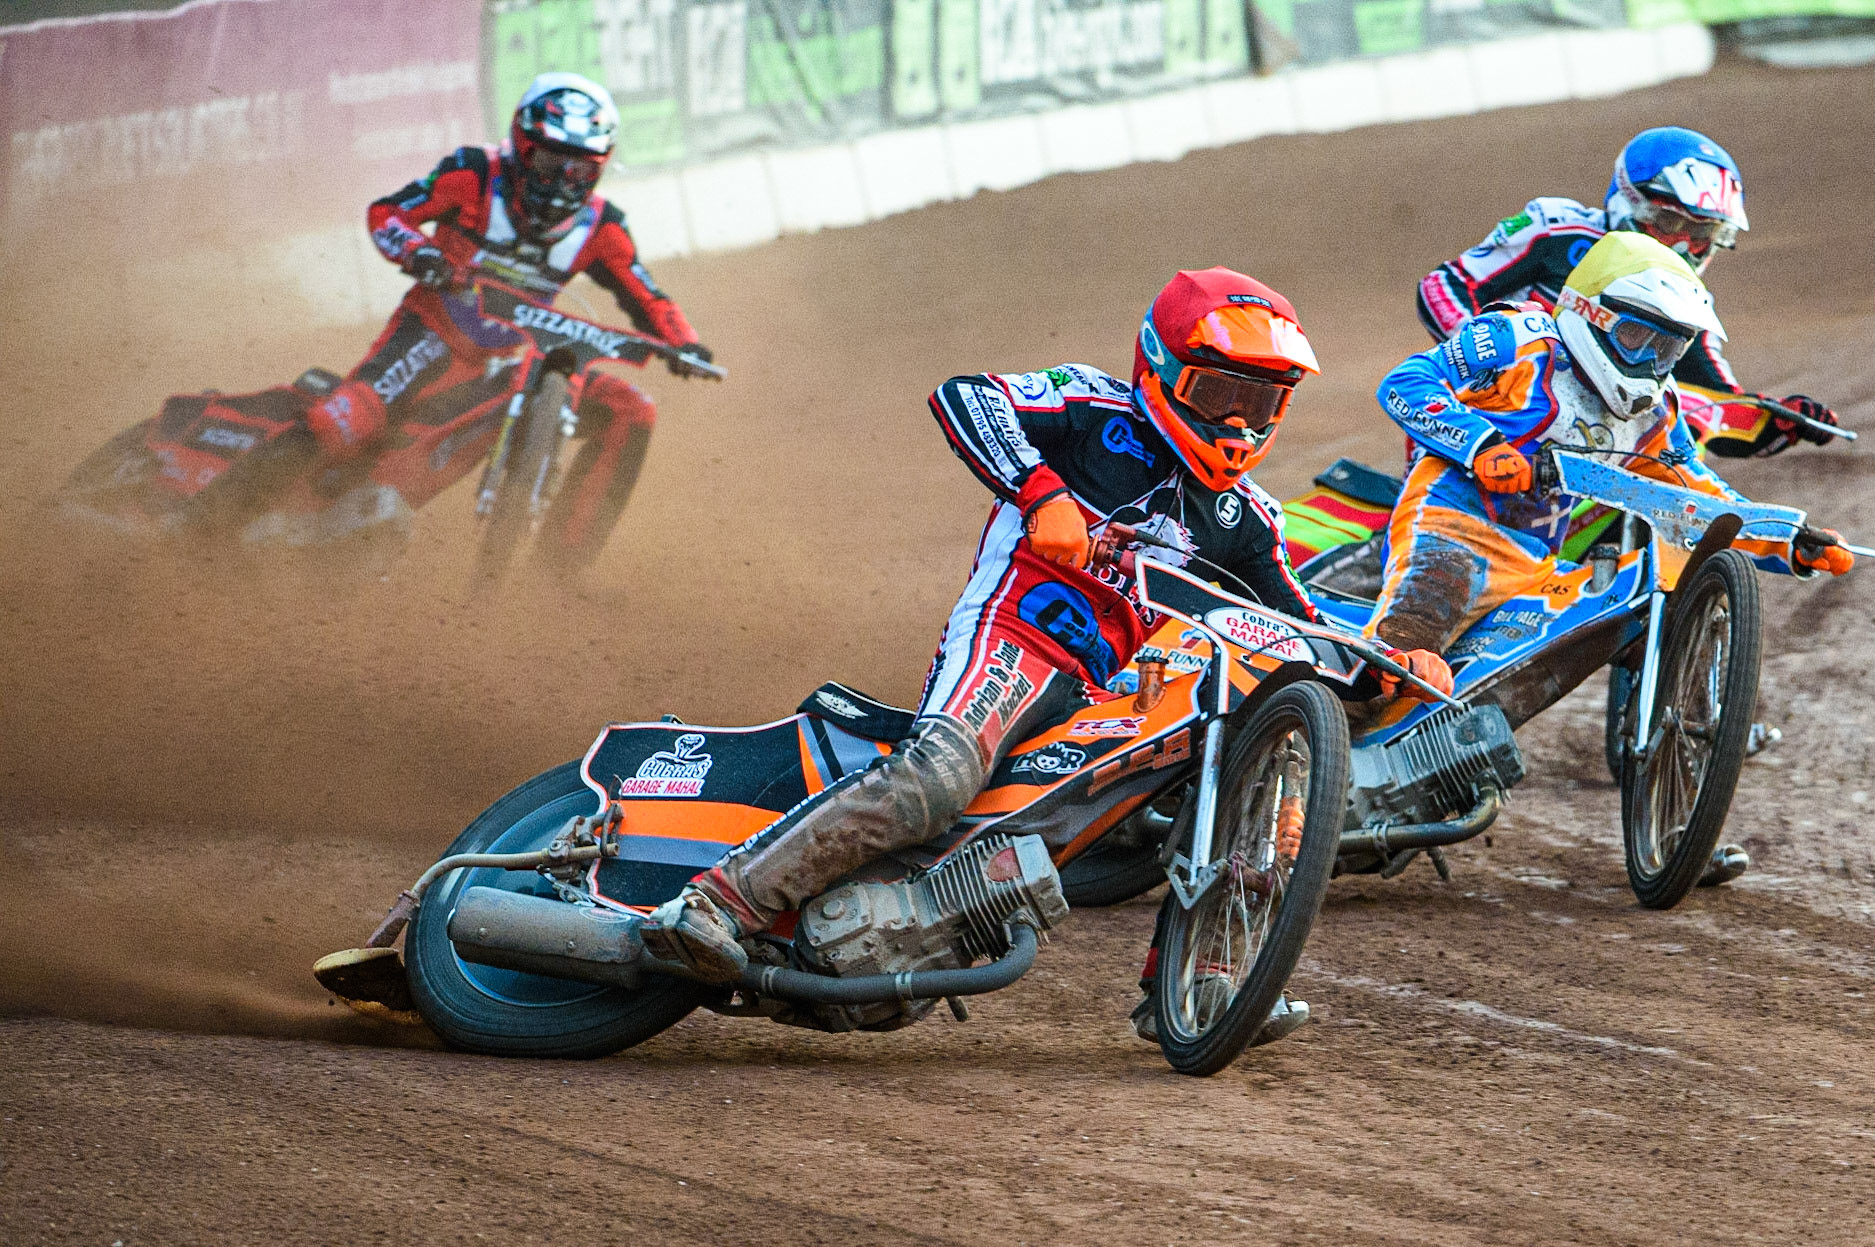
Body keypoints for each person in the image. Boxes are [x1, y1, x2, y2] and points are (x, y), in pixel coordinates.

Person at [642, 268, 1454, 1045]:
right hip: (1014, 637)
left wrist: (1389, 666)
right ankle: (717, 904)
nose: (1238, 425)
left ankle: (1200, 980)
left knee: (1223, 771)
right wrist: (1042, 493)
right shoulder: (1090, 407)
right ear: (1163, 370)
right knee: (937, 780)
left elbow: (1296, 623)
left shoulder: (1247, 521)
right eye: (1219, 396)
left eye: (1261, 404)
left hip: (1108, 693)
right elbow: (964, 397)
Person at [1371, 231, 1852, 680]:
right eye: (1637, 338)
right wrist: (1480, 444)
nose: (1648, 362)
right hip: (1451, 526)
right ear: (1590, 312)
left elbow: (1696, 496)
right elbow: (1406, 383)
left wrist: (1788, 539)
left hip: (1539, 566)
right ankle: (1347, 710)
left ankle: (1674, 727)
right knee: (1410, 648)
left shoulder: (1655, 415)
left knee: (1646, 602)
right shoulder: (1518, 339)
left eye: (1666, 350)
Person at [304, 72, 712, 565]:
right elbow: (388, 212)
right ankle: (226, 505)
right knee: (343, 427)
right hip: (431, 334)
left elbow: (649, 297)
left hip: (514, 364)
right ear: (522, 148)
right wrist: (419, 253)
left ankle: (563, 570)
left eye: (579, 172)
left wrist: (685, 344)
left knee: (633, 410)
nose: (562, 182)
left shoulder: (602, 228)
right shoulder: (474, 173)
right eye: (548, 162)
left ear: (599, 172)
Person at [1416, 126, 1840, 460]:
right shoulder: (1556, 230)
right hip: (1493, 415)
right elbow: (1444, 285)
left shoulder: (1688, 303)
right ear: (1630, 202)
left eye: (1701, 234)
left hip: (1599, 442)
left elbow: (1716, 404)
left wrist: (1781, 420)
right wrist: (1487, 354)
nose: (1680, 246)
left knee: (1678, 439)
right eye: (1671, 224)